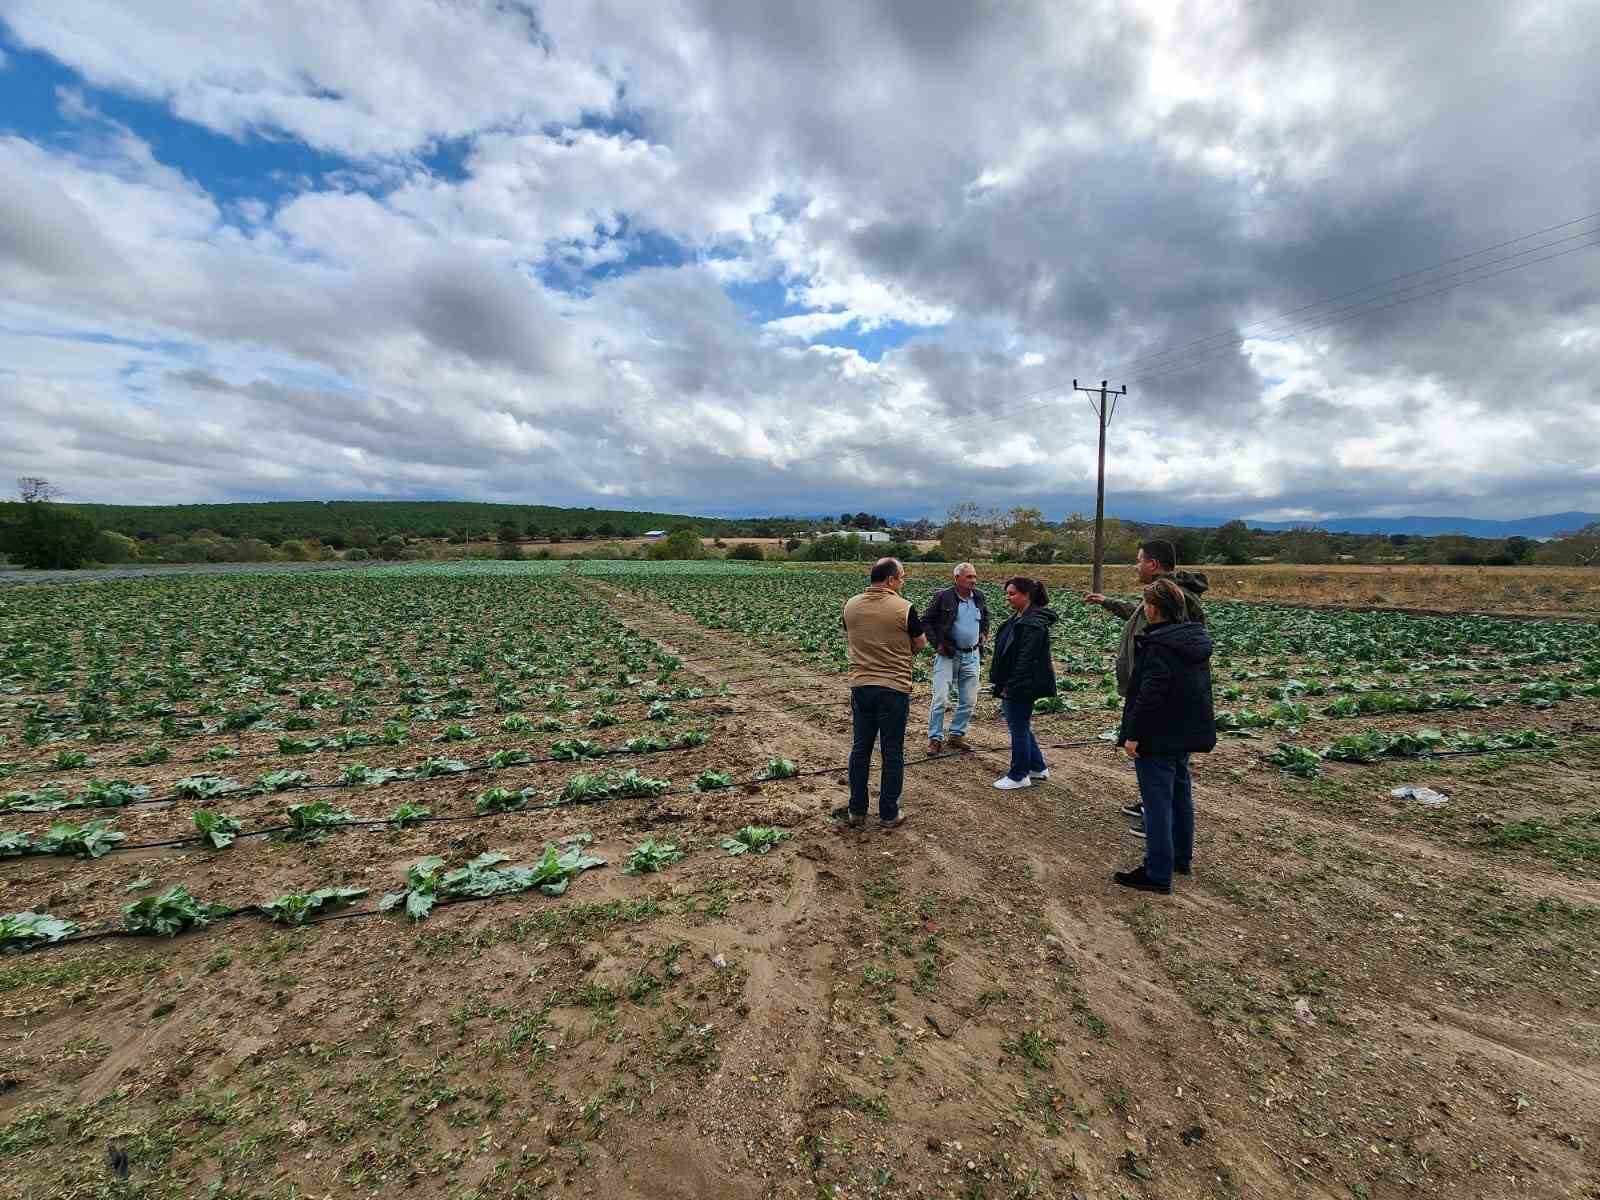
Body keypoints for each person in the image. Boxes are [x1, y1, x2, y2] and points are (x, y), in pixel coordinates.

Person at [1083, 539, 1208, 828]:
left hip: (1160, 692)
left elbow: (1177, 650)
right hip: (1150, 687)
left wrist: (1151, 688)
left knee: (1159, 758)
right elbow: (1142, 615)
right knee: (1158, 761)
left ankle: (1158, 819)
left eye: (1139, 560)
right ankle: (1153, 807)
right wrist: (1108, 602)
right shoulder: (1162, 594)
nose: (1135, 565)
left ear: (1153, 564)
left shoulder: (1179, 596)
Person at [1113, 578, 1217, 894]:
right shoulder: (1194, 639)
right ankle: (1180, 859)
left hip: (1157, 735)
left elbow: (1149, 696)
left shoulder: (1158, 646)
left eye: (1145, 604)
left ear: (1154, 609)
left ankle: (1157, 873)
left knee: (1157, 803)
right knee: (1180, 795)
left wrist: (1133, 735)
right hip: (1184, 731)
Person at [842, 557, 927, 828]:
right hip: (893, 688)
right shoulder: (904, 608)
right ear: (890, 580)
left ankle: (856, 811)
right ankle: (889, 813)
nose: (902, 582)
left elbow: (853, 633)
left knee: (860, 749)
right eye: (901, 577)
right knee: (892, 752)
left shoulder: (850, 605)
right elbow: (920, 643)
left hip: (861, 685)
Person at [987, 576, 1057, 790]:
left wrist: (1012, 685)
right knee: (1021, 725)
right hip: (1014, 681)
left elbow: (1026, 659)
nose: (1008, 598)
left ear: (1027, 595)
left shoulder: (1033, 623)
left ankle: (1019, 775)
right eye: (1007, 593)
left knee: (1017, 727)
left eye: (1012, 594)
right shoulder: (1020, 618)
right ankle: (1037, 767)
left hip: (1022, 684)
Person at [921, 561, 990, 755]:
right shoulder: (943, 597)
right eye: (969, 577)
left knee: (969, 700)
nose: (973, 581)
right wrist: (937, 644)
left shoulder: (978, 597)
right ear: (957, 578)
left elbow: (985, 616)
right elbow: (926, 621)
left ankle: (956, 734)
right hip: (949, 655)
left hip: (972, 655)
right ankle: (935, 738)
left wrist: (984, 632)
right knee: (941, 698)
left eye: (974, 576)